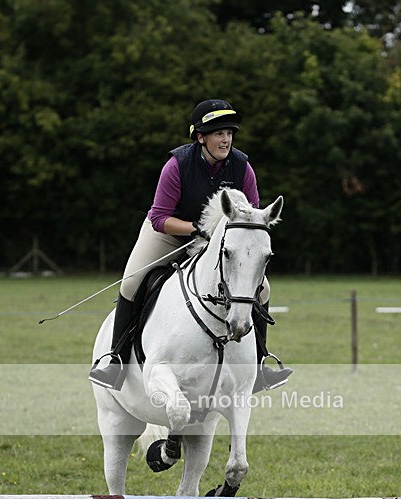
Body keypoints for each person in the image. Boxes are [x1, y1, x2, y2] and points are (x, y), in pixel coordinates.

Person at [89, 98, 292, 392]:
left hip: (217, 242)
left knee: (263, 289)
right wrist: (197, 229)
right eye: (218, 134)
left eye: (229, 133)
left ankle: (260, 364)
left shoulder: (242, 167)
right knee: (132, 282)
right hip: (169, 233)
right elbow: (159, 217)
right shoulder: (177, 165)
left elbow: (251, 218)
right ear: (201, 137)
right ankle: (115, 362)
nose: (226, 139)